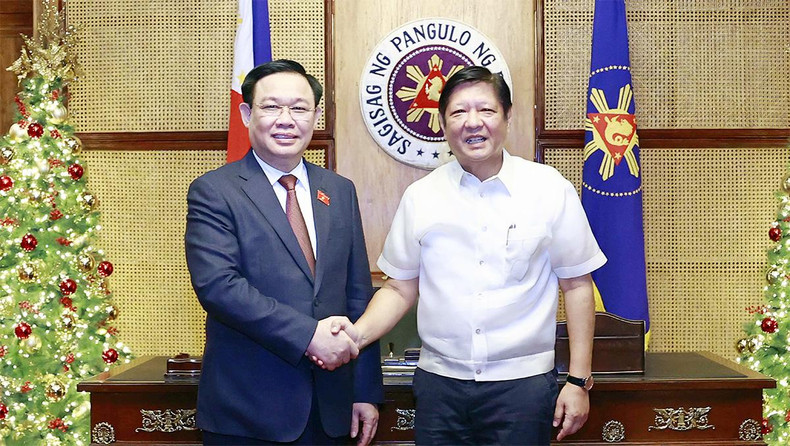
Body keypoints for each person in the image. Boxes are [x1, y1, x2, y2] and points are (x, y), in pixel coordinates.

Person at [333, 66, 606, 445]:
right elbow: (399, 290)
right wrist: (355, 336)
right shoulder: (421, 197)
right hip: (439, 386)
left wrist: (578, 380)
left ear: (508, 117)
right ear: (443, 125)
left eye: (486, 110)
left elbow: (577, 284)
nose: (472, 122)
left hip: (522, 387)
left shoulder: (549, 189)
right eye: (459, 112)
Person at [185, 59, 383, 445]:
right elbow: (219, 287)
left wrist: (364, 390)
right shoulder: (215, 191)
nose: (285, 119)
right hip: (248, 412)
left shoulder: (339, 191)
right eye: (272, 106)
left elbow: (358, 294)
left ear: (315, 115)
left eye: (299, 108)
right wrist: (309, 335)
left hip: (332, 410)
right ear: (246, 114)